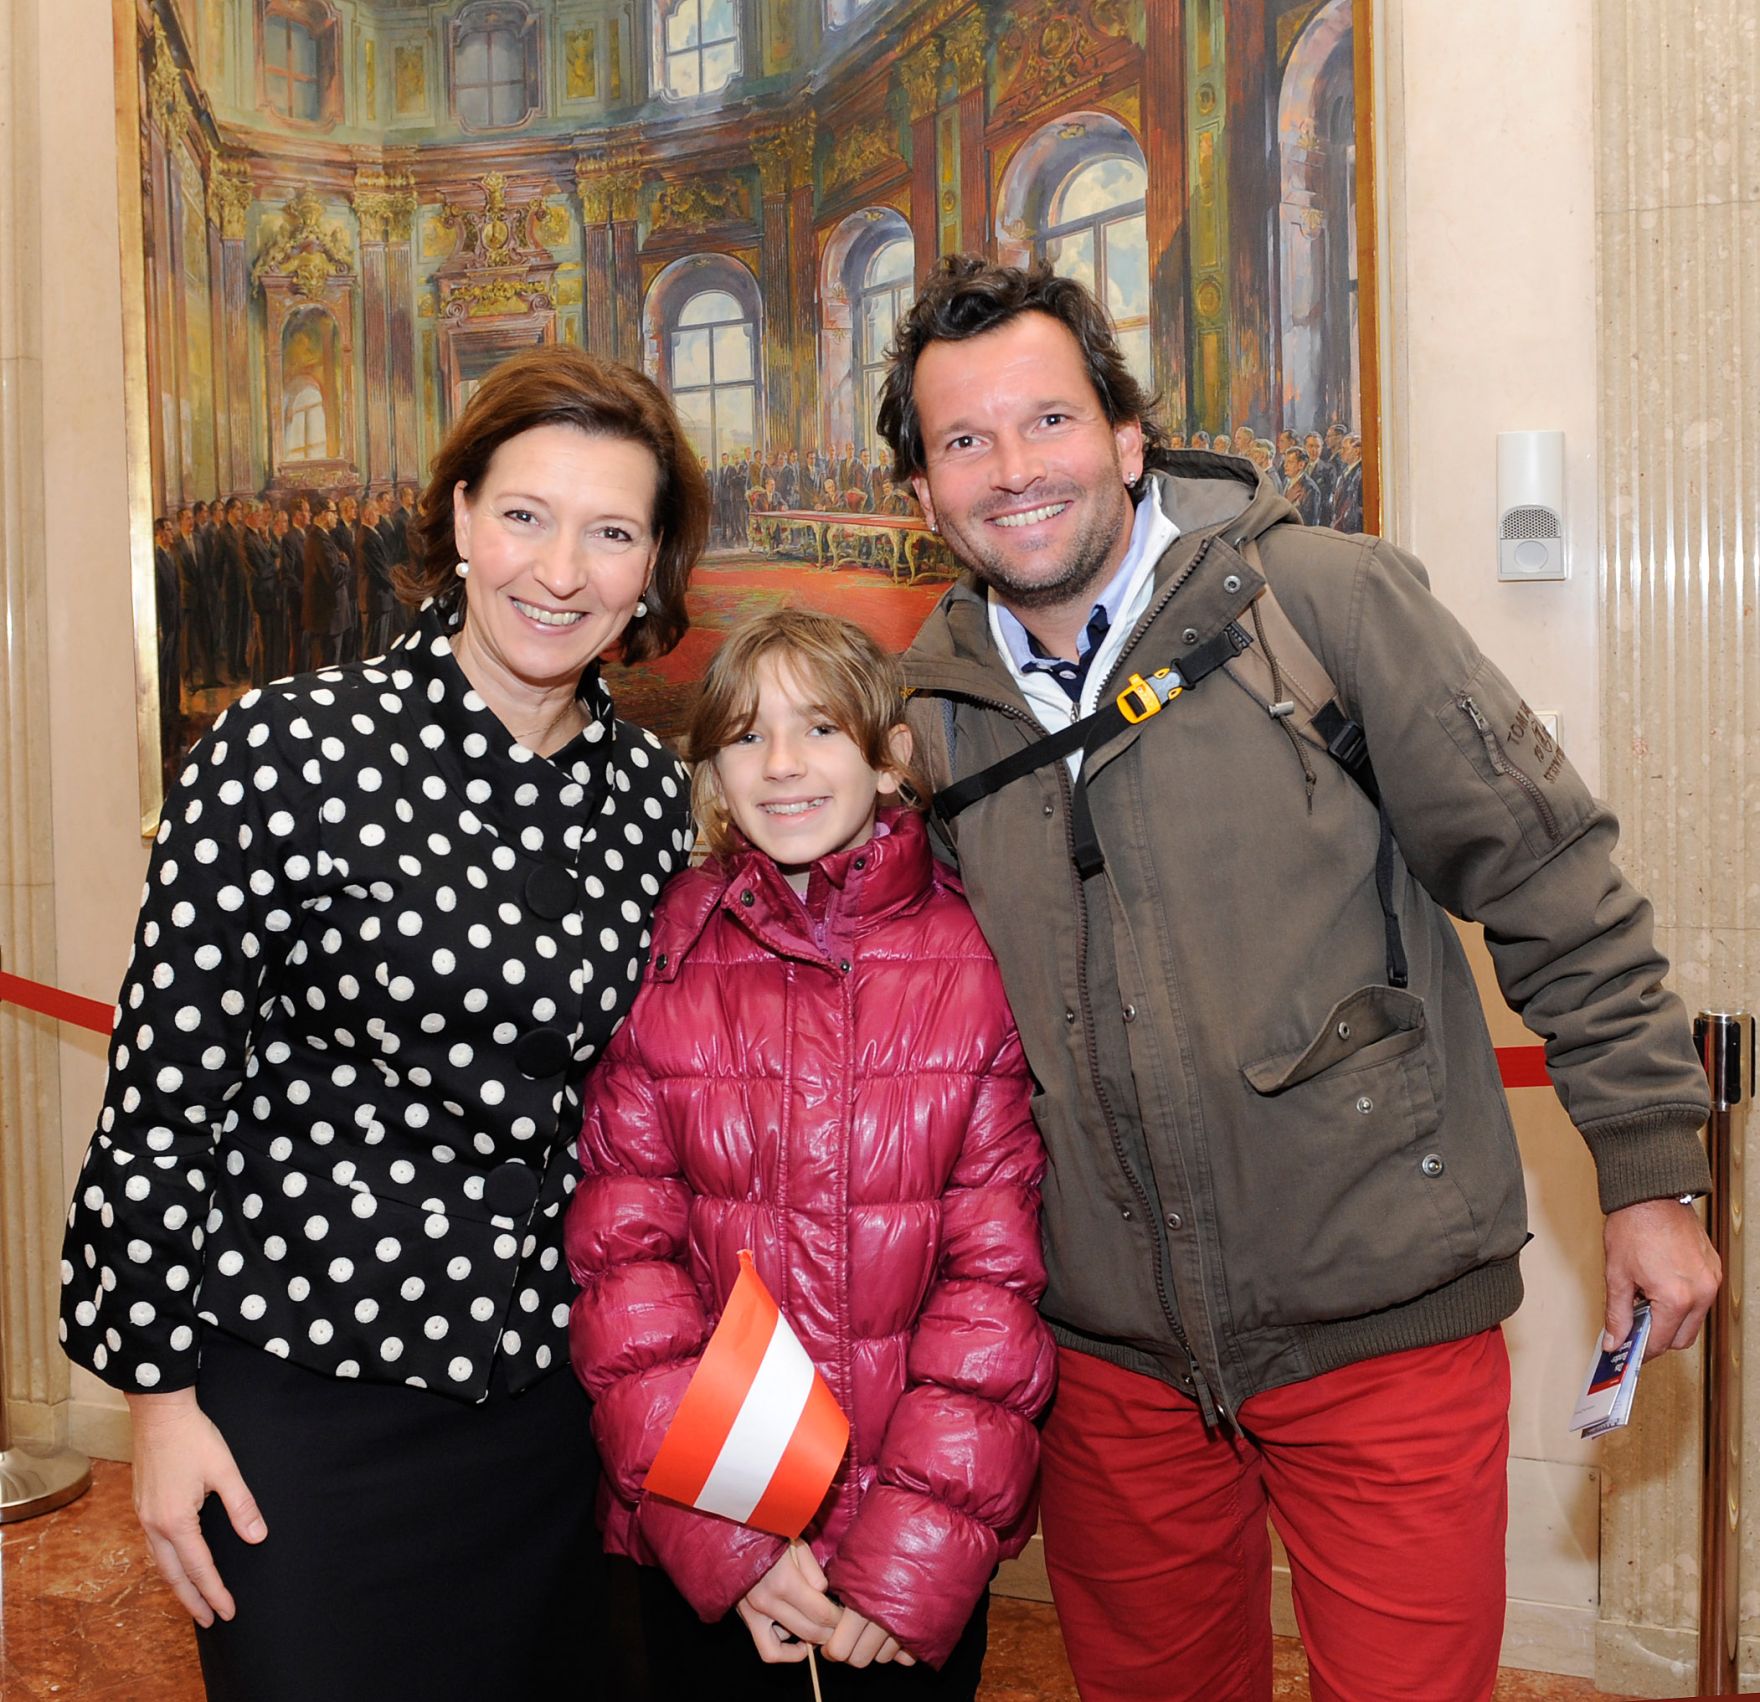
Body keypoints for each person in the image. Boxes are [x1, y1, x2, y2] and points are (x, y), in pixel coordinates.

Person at [881, 257, 1719, 1702]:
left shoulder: (1321, 605)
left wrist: (1651, 1170)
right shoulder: (921, 721)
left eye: (1049, 421)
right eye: (964, 441)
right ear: (922, 496)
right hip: (1109, 1374)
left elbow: (1548, 876)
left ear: (1127, 437)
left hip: (1381, 1324)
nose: (1014, 470)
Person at [59, 345, 707, 1702]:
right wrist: (161, 1408)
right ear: (460, 517)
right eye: (525, 514)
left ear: (650, 569)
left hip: (553, 1417)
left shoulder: (654, 797)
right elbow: (162, 1098)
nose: (560, 570)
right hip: (305, 1404)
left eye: (610, 533)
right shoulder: (287, 751)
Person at [566, 609, 1054, 1698]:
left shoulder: (972, 959)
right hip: (708, 1531)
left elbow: (995, 1286)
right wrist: (728, 1534)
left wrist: (909, 1557)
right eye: (745, 735)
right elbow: (626, 1268)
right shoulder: (672, 949)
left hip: (901, 1551)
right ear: (711, 775)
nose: (781, 765)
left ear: (887, 759)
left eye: (819, 728)